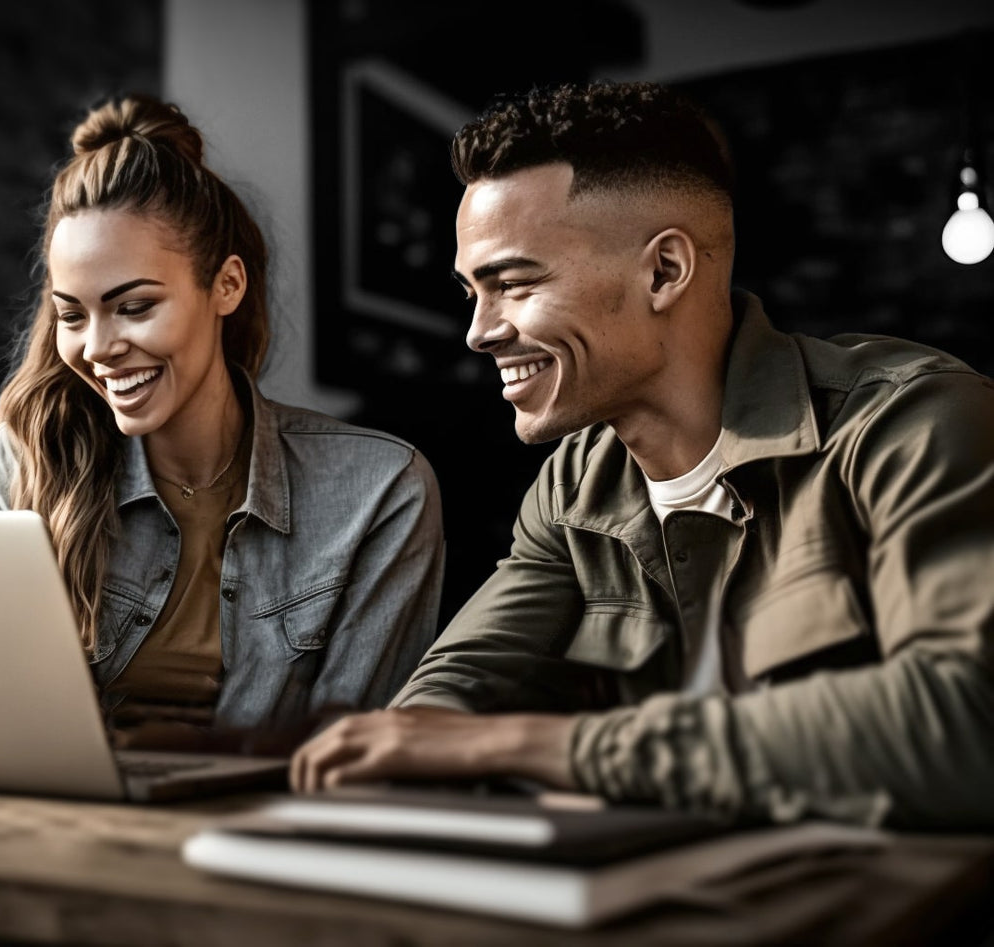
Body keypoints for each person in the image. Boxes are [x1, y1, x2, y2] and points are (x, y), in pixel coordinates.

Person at [0, 94, 444, 946]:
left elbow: (346, 766)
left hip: (232, 868)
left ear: (225, 286)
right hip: (26, 839)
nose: (99, 346)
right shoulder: (27, 459)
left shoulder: (381, 489)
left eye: (135, 305)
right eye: (72, 313)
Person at [291, 81, 994, 831]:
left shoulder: (912, 424)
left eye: (516, 284)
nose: (479, 331)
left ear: (664, 272)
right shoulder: (570, 488)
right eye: (472, 292)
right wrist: (410, 753)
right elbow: (456, 692)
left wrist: (533, 746)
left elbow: (966, 725)